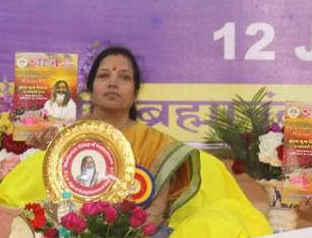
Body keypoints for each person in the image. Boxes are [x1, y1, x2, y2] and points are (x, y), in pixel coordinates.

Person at [28, 46, 199, 227]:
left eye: (124, 77)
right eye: (103, 75)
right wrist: (42, 150)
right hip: (68, 233)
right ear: (90, 89)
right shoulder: (65, 137)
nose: (113, 83)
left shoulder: (155, 144)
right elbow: (51, 202)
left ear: (135, 94)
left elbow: (153, 216)